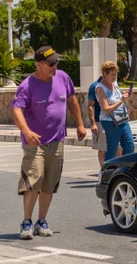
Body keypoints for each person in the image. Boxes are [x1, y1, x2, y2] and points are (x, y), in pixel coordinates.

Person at [12, 45, 86, 240]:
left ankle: (41, 222)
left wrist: (80, 124)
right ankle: (26, 222)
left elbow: (72, 101)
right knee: (33, 181)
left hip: (57, 141)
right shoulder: (27, 85)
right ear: (39, 64)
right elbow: (17, 110)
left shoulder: (63, 78)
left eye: (56, 62)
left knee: (49, 184)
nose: (55, 66)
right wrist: (26, 132)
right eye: (51, 63)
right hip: (34, 143)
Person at [95, 61, 135, 162]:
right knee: (112, 150)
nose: (115, 76)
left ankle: (125, 169)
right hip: (110, 121)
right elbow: (106, 109)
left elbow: (117, 98)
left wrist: (126, 95)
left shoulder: (114, 84)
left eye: (116, 74)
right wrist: (121, 100)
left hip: (122, 119)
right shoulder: (100, 88)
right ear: (105, 74)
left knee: (130, 146)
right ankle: (108, 173)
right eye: (112, 74)